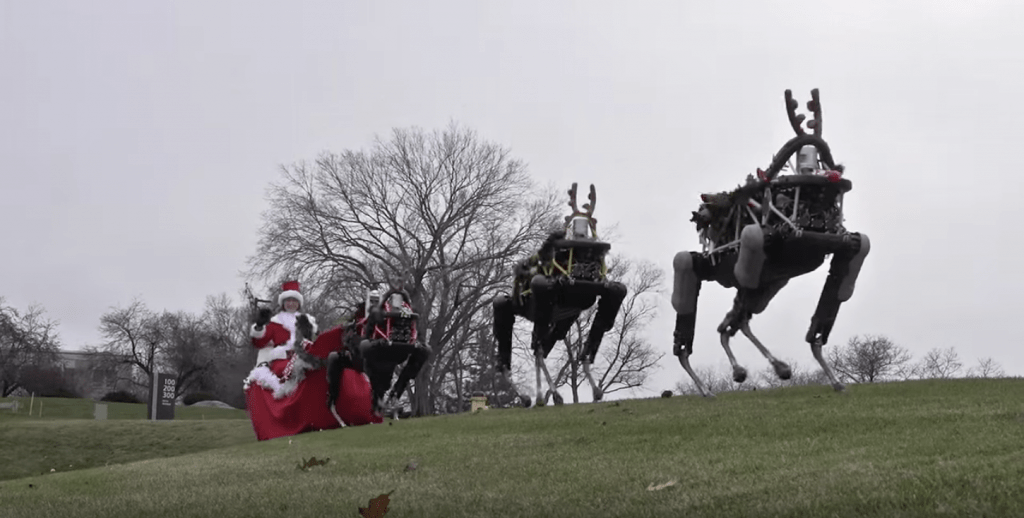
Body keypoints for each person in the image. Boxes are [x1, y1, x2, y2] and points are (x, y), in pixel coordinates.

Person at [243, 280, 380, 441]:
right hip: (283, 360)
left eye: (294, 301)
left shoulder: (307, 320)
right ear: (283, 303)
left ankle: (351, 407)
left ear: (299, 302)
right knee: (307, 365)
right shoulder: (274, 323)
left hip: (307, 352)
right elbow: (259, 342)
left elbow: (317, 341)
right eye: (288, 301)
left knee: (326, 359)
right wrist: (259, 327)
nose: (291, 304)